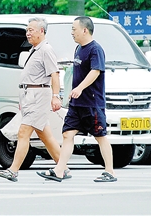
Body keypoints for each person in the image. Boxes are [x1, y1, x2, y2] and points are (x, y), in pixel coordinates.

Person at [37, 16, 117, 182]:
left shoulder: (95, 49)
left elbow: (95, 71)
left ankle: (110, 171)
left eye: (74, 29)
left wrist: (80, 88)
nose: (72, 33)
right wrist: (71, 91)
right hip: (76, 104)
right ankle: (60, 170)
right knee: (67, 134)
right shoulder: (78, 49)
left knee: (100, 136)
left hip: (92, 103)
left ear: (84, 30)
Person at [0, 17, 62, 182]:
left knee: (23, 132)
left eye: (31, 30)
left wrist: (56, 96)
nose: (27, 33)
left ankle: (13, 171)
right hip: (30, 97)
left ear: (41, 31)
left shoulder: (46, 50)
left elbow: (55, 74)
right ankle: (63, 167)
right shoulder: (35, 49)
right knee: (45, 135)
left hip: (38, 97)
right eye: (27, 30)